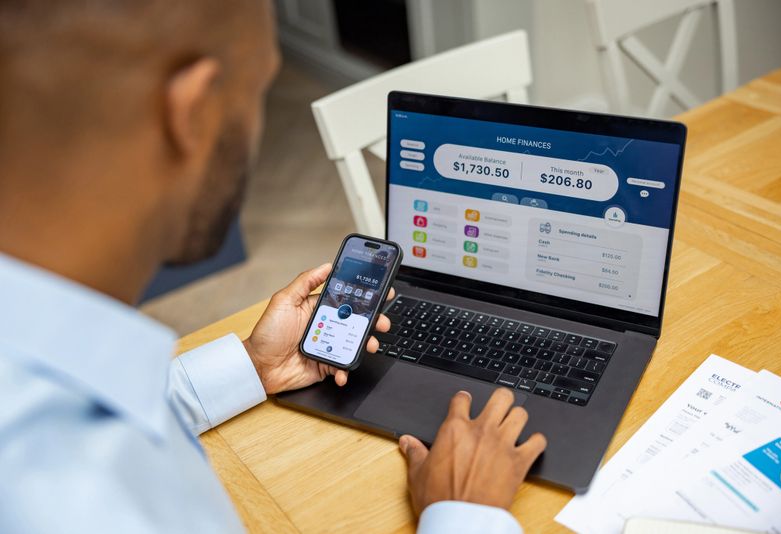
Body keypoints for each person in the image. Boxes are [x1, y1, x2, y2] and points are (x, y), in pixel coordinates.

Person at [0, 0, 547, 532]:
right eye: (258, 88)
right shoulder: (68, 489)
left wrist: (253, 369)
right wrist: (464, 514)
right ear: (194, 110)